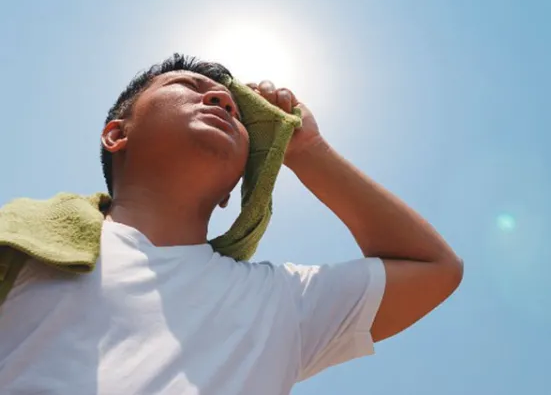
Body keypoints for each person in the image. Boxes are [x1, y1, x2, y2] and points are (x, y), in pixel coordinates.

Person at [0, 54, 463, 394]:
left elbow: (434, 267)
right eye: (185, 85)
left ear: (231, 193)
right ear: (117, 134)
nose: (220, 98)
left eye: (238, 115)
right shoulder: (24, 240)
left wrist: (309, 151)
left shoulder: (279, 302)